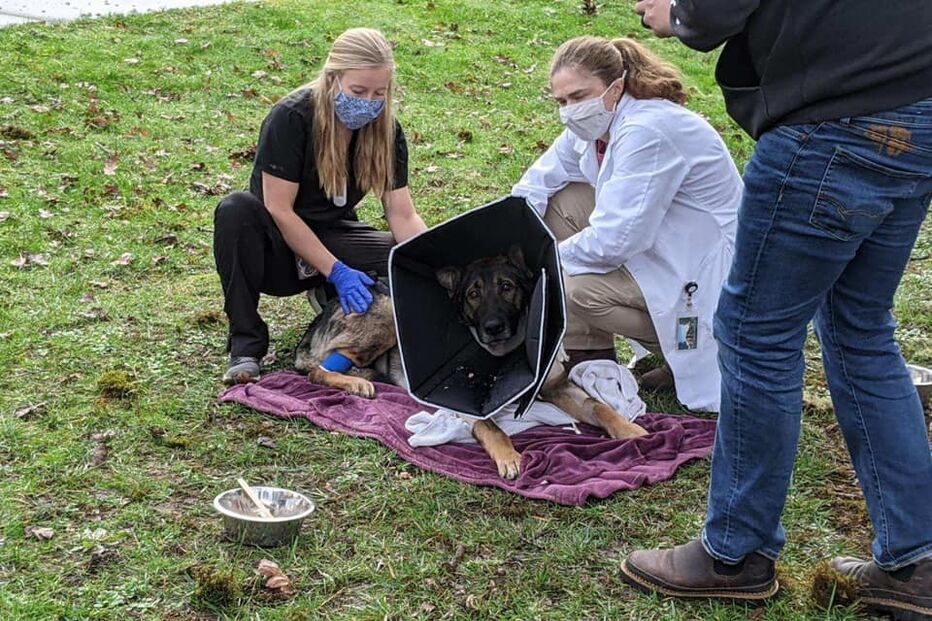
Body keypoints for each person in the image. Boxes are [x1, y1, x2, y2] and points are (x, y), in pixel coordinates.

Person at [623, 1, 932, 617]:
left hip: (833, 118)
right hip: (919, 108)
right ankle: (916, 562)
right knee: (860, 329)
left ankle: (734, 553)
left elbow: (712, 12)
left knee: (755, 336)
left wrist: (681, 13)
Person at [512, 36, 742, 412]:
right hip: (661, 241)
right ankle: (590, 353)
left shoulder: (647, 130)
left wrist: (540, 260)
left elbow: (616, 241)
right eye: (562, 102)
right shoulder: (594, 128)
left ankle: (683, 352)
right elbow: (534, 187)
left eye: (579, 96)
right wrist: (497, 236)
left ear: (615, 87)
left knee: (572, 288)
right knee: (560, 203)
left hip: (703, 268)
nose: (570, 110)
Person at [213, 28, 427, 384]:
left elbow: (402, 214)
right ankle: (246, 344)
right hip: (275, 247)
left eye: (379, 93)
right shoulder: (292, 118)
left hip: (334, 235)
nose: (369, 102)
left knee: (403, 257)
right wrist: (336, 270)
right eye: (358, 91)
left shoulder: (386, 130)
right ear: (332, 78)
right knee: (235, 210)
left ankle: (342, 316)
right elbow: (280, 210)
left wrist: (434, 260)